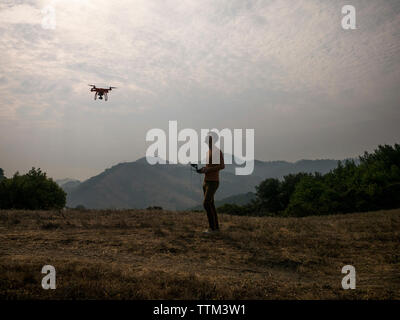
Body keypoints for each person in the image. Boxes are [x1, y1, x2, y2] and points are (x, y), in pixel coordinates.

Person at [198, 132, 225, 233]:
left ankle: (213, 228)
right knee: (211, 204)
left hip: (213, 182)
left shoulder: (217, 151)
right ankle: (215, 228)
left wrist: (208, 170)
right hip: (206, 181)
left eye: (208, 137)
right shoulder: (209, 151)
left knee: (206, 203)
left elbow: (222, 166)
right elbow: (210, 167)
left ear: (212, 140)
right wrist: (202, 170)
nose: (205, 138)